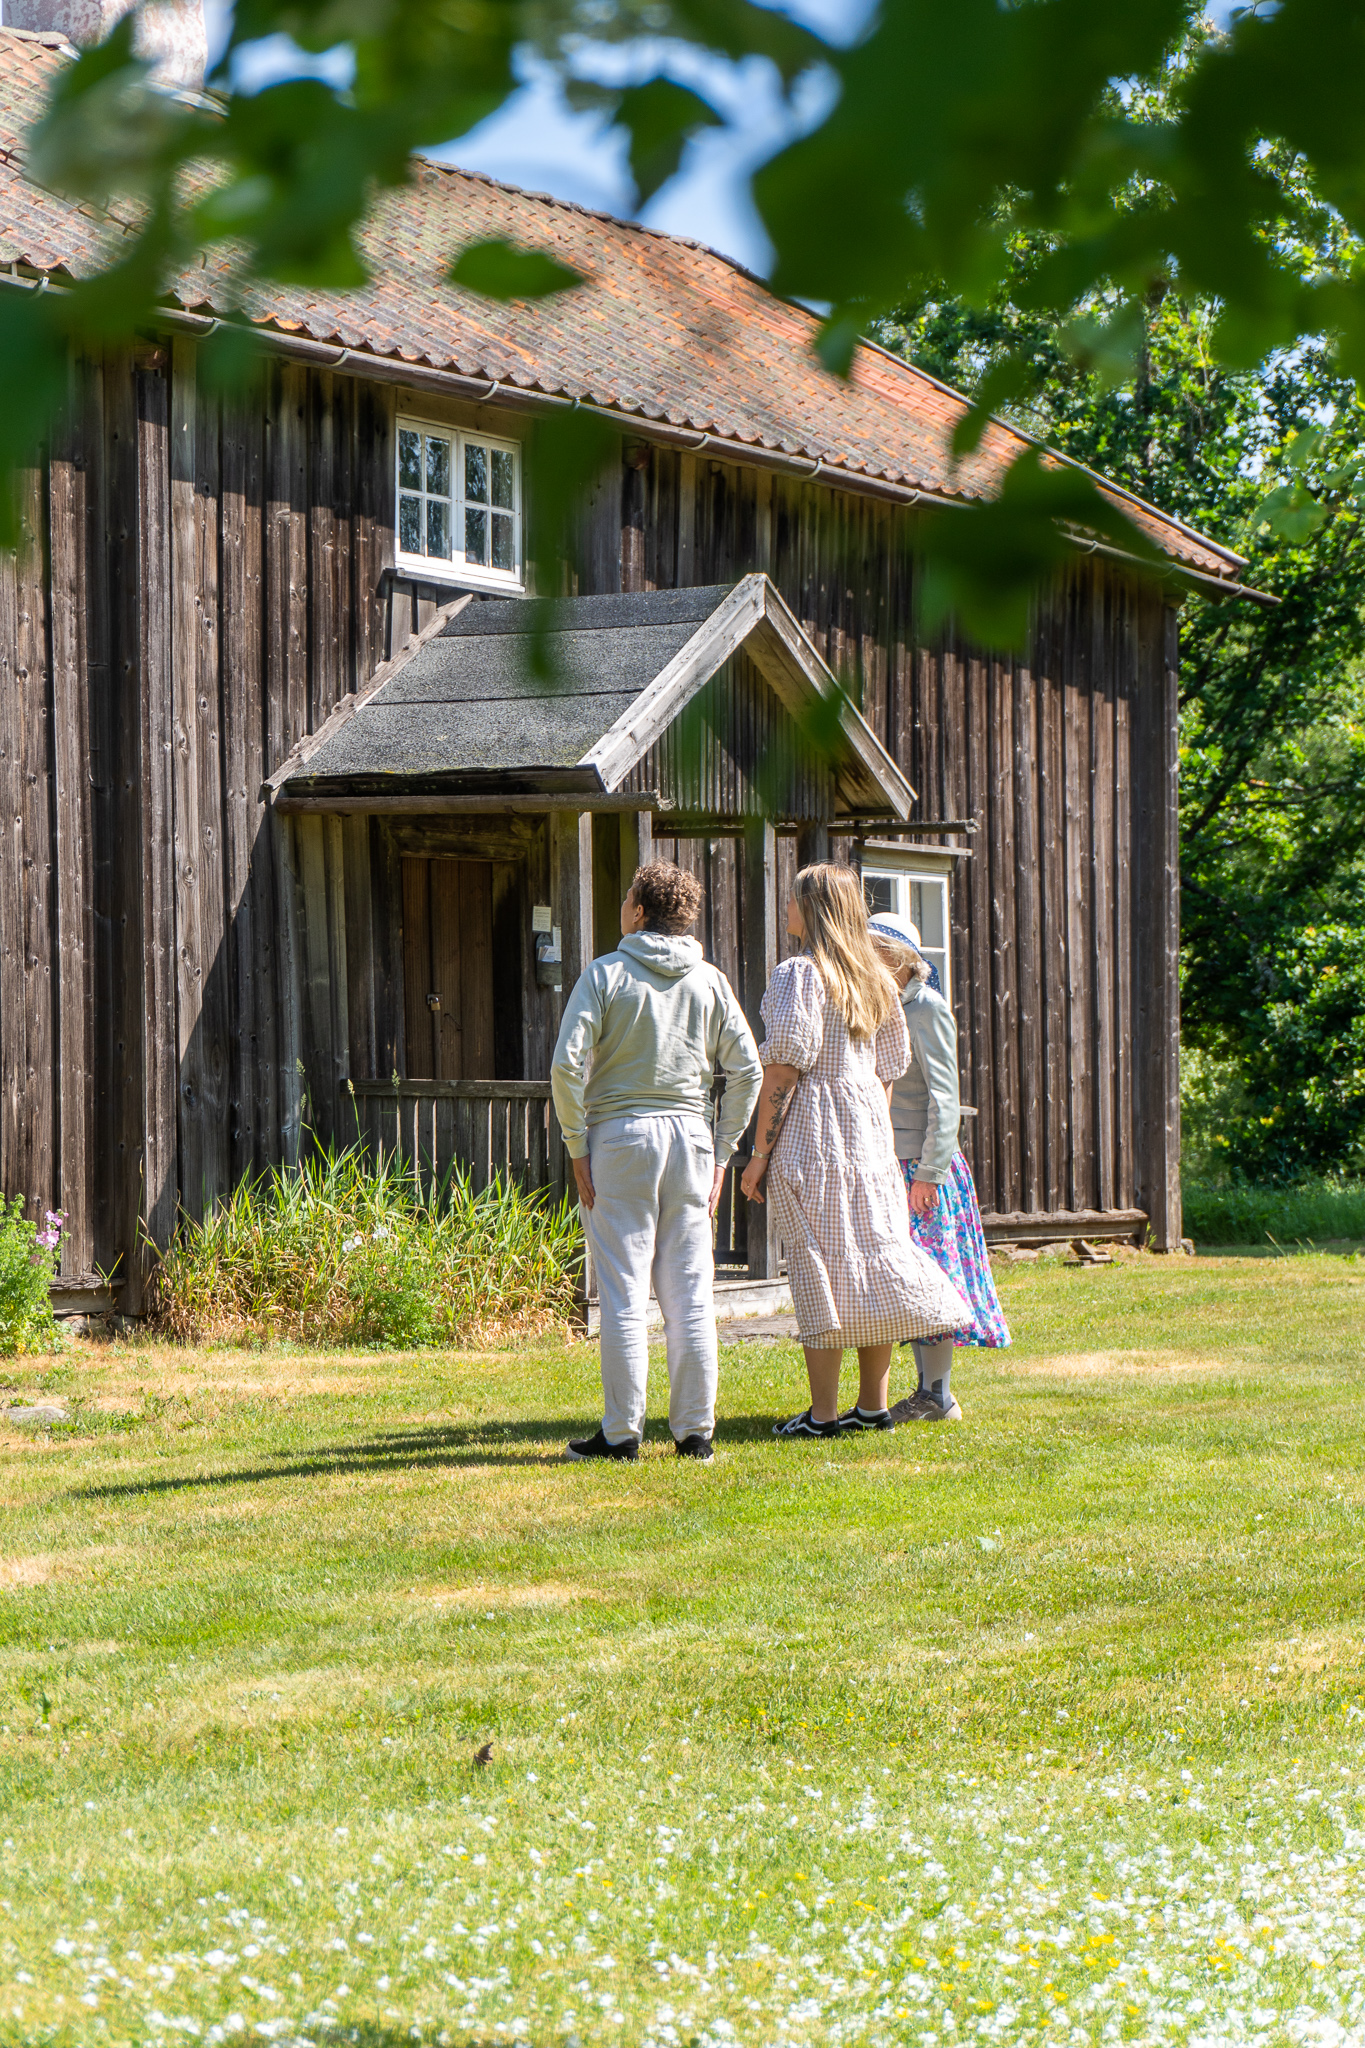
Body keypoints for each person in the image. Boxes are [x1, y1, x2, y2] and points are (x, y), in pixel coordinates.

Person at [739, 862, 969, 1439]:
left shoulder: (800, 974)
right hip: (870, 1138)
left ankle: (822, 1415)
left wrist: (760, 1154)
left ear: (811, 909)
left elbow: (785, 1068)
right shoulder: (876, 978)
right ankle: (874, 1406)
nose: (786, 909)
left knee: (821, 1264)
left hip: (816, 1135)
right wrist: (872, 1126)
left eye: (792, 900)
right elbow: (890, 1069)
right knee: (871, 1262)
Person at [551, 859, 763, 1464]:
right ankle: (695, 1433)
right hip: (692, 1138)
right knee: (691, 1292)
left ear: (639, 911)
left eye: (625, 899)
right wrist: (723, 1149)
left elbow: (567, 1066)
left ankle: (621, 1435)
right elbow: (745, 1070)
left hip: (620, 1136)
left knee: (622, 1291)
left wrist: (575, 1144)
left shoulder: (606, 974)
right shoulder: (711, 981)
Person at [868, 910, 1011, 1423]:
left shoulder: (925, 1008)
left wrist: (930, 1171)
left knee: (932, 1278)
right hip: (889, 1162)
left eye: (877, 951)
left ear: (902, 959)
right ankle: (929, 1392)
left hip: (922, 1168)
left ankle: (937, 1395)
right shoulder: (879, 1008)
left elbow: (945, 1099)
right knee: (903, 1280)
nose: (868, 959)